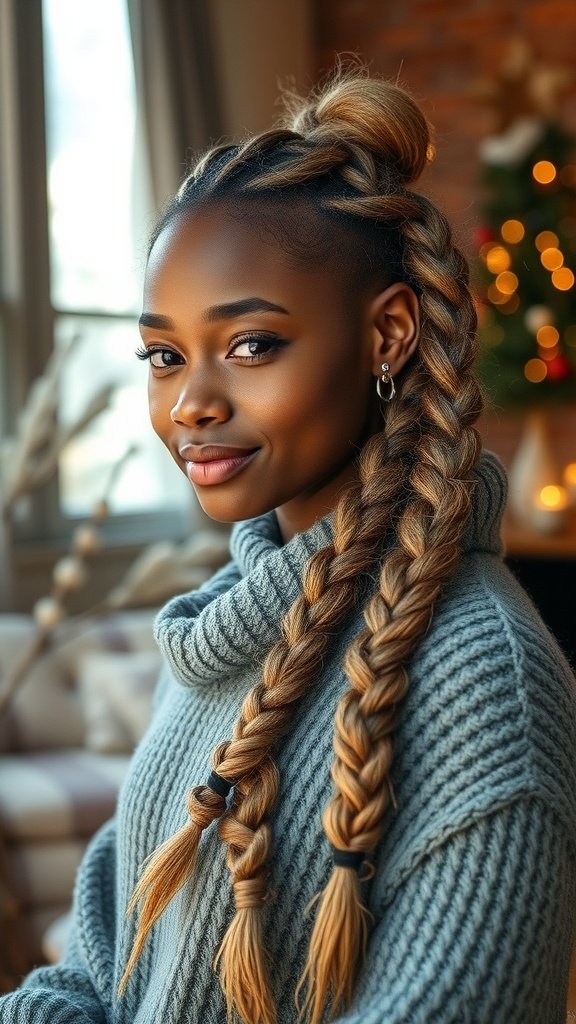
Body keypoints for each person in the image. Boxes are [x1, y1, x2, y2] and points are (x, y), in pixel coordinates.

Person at [2, 63, 576, 1024]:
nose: (190, 402)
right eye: (164, 355)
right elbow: (104, 964)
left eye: (252, 344)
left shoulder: (488, 682)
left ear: (388, 335)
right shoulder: (225, 627)